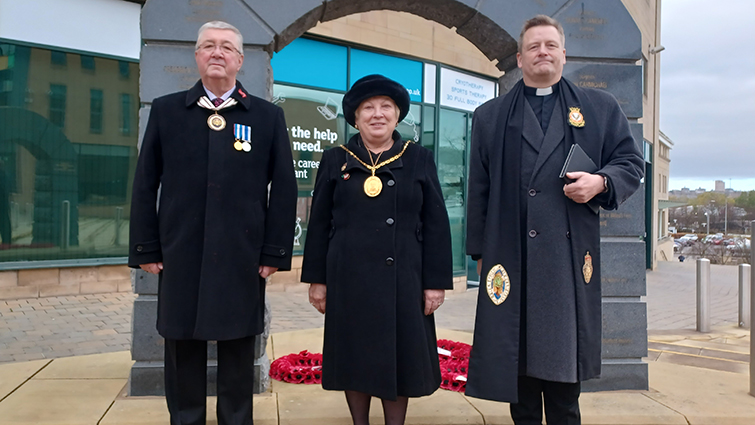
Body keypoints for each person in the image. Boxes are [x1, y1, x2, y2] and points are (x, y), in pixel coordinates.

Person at [464, 15, 644, 425]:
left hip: (565, 262)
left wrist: (600, 182)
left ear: (564, 53)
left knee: (564, 391)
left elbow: (631, 162)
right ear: (520, 57)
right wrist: (478, 251)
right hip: (511, 258)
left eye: (550, 45)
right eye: (533, 46)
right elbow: (480, 189)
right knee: (520, 378)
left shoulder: (599, 107)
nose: (542, 52)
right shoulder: (490, 115)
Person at [128, 21, 297, 425]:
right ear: (197, 56)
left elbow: (285, 191)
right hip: (179, 254)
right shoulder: (167, 111)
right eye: (208, 46)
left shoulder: (267, 117)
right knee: (182, 347)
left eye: (225, 47)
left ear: (240, 60)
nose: (216, 53)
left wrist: (274, 252)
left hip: (243, 256)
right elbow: (145, 182)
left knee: (239, 349)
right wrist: (146, 248)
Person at [301, 74, 453, 425]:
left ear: (398, 115)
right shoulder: (334, 158)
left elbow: (436, 223)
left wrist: (435, 282)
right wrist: (317, 280)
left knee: (397, 356)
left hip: (404, 278)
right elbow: (320, 223)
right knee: (354, 356)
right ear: (355, 118)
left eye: (386, 106)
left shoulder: (418, 158)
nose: (377, 114)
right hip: (347, 278)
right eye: (367, 108)